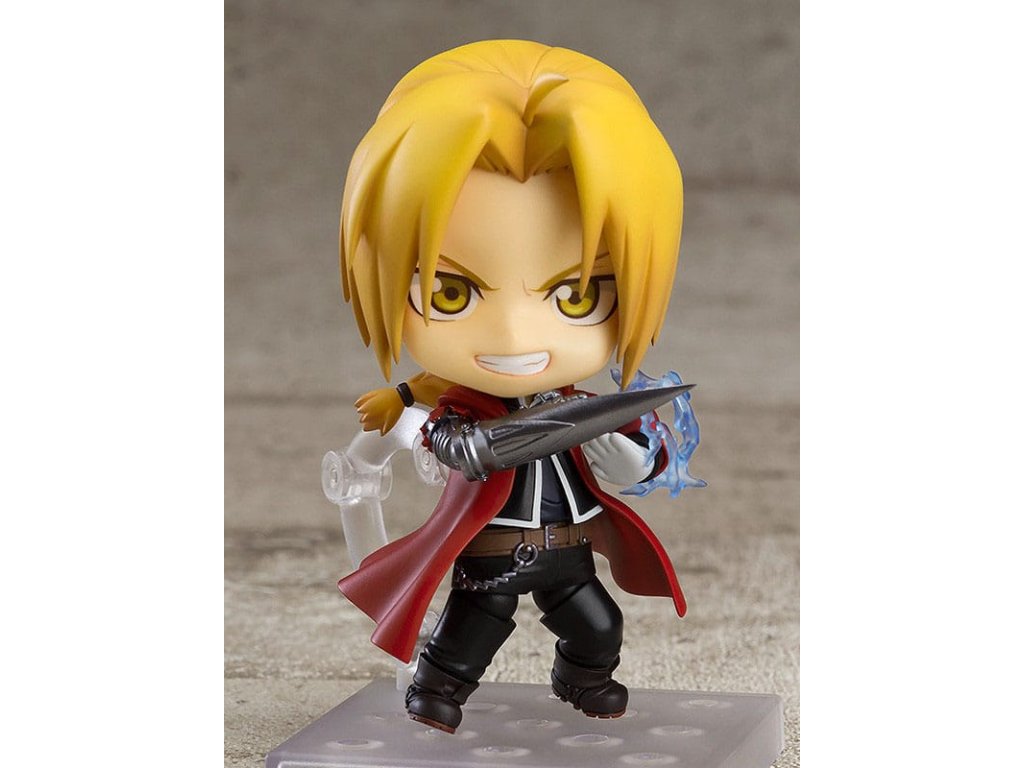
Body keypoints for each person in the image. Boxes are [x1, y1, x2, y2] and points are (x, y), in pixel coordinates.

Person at [336, 39, 687, 733]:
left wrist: (631, 460)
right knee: (473, 631)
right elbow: (439, 435)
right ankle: (437, 687)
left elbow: (647, 452)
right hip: (493, 552)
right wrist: (456, 439)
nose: (516, 336)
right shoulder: (462, 407)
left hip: (567, 550)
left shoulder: (582, 408)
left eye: (577, 296)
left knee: (599, 625)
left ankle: (582, 677)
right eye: (450, 292)